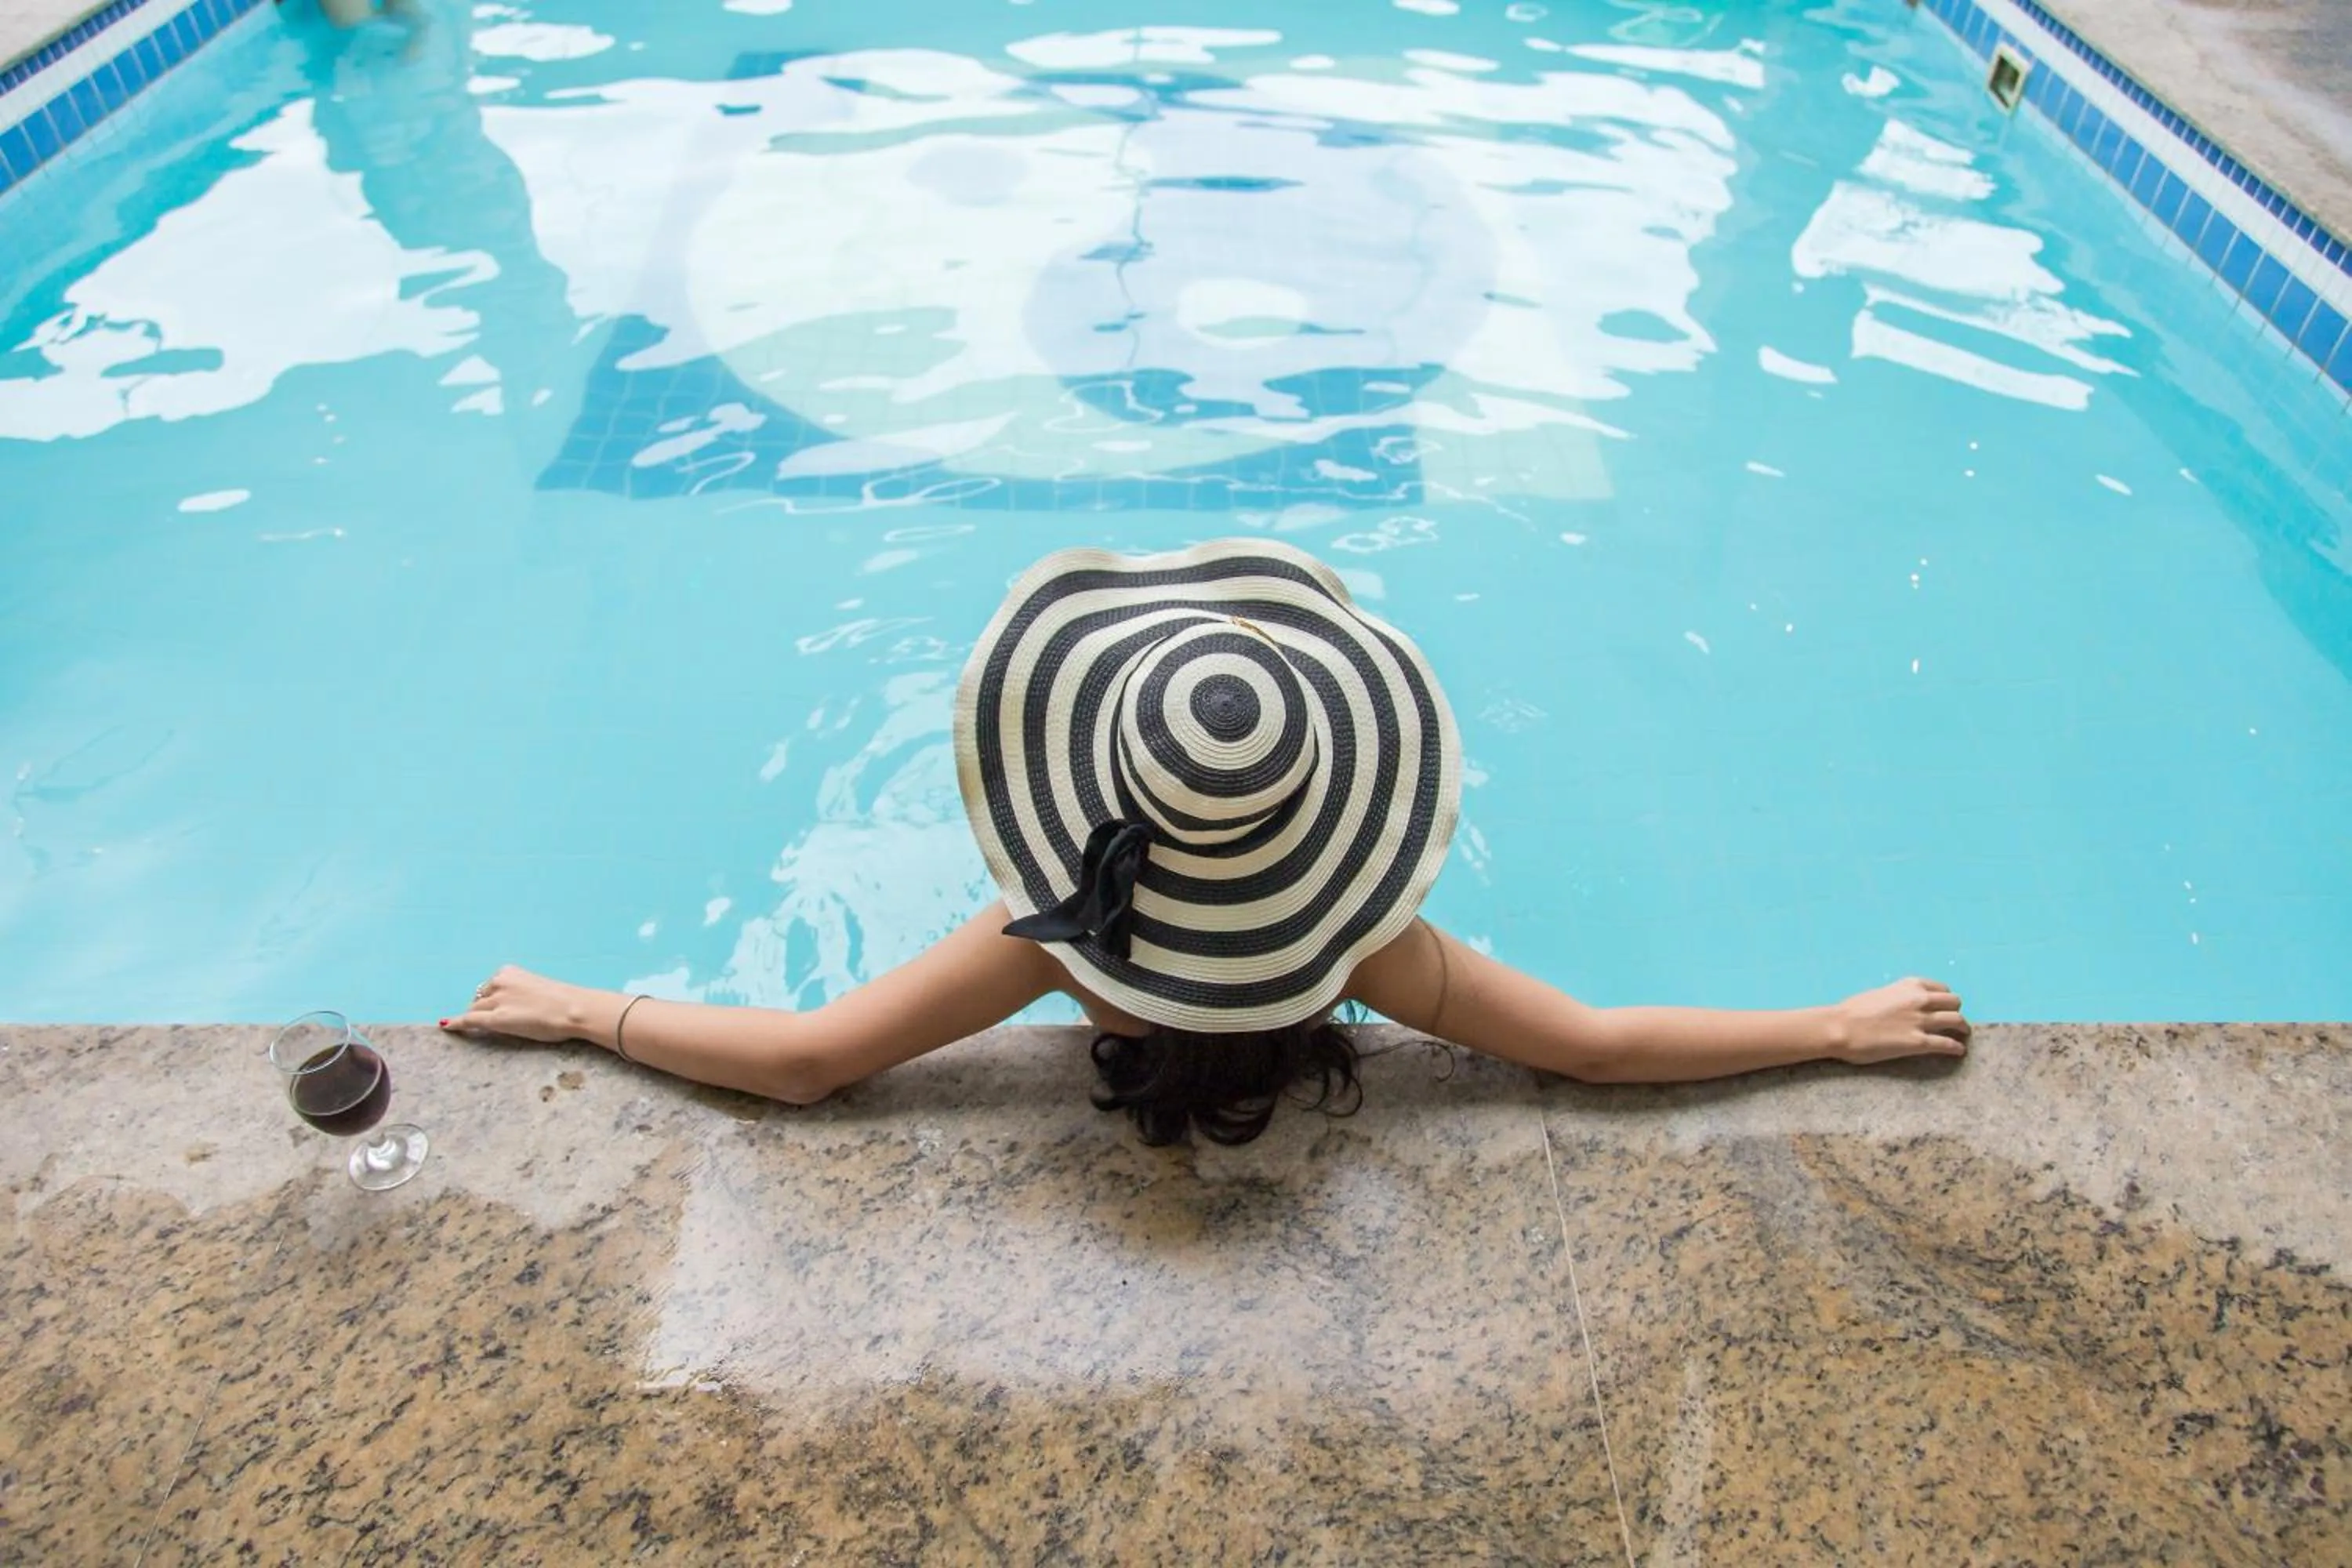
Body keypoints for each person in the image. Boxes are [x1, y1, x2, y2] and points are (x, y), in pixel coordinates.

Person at [444, 539, 1970, 1145]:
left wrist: (590, 1008)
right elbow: (1594, 1044)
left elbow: (806, 1061)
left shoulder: (1063, 936)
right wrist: (1832, 1025)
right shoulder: (1368, 948)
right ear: (1327, 819)